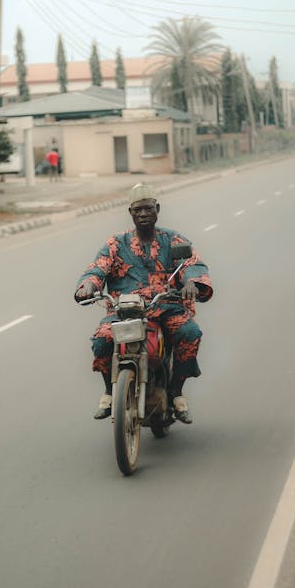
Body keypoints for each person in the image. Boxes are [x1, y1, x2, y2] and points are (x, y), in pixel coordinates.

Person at [74, 182, 213, 424]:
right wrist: (88, 285)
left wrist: (192, 283)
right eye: (137, 210)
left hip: (166, 307)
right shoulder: (116, 244)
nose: (143, 214)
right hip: (125, 312)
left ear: (157, 208)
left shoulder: (174, 240)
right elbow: (97, 267)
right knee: (102, 339)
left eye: (148, 208)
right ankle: (109, 392)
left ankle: (177, 393)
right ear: (130, 213)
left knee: (190, 332)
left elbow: (193, 264)